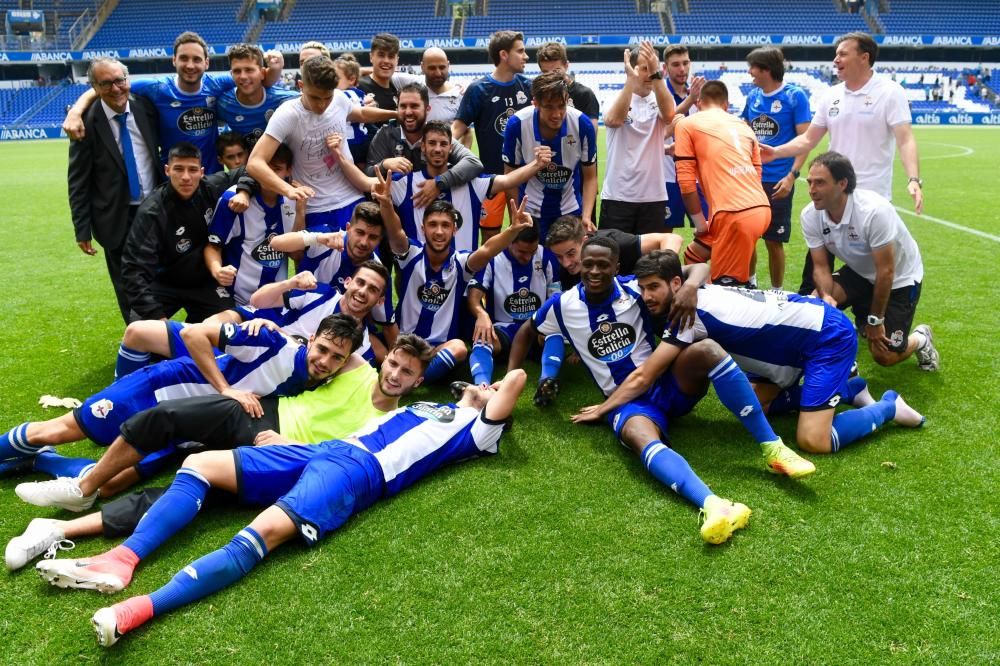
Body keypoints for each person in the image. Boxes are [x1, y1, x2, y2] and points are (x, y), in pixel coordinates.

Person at [41, 369, 526, 648]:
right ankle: (124, 559)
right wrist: (469, 392)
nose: (491, 386)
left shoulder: (479, 433)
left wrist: (486, 387)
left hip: (360, 474)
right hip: (326, 449)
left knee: (259, 534)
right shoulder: (432, 406)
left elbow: (517, 381)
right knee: (200, 463)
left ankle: (138, 609)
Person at [5, 335, 434, 572]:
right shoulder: (356, 367)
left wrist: (295, 447)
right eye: (394, 363)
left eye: (407, 373)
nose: (395, 375)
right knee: (167, 417)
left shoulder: (387, 422)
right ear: (384, 359)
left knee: (190, 494)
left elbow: (345, 457)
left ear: (417, 383)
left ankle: (56, 530)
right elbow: (347, 316)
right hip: (258, 413)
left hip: (289, 457)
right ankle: (85, 485)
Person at [508, 238, 756, 544]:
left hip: (668, 383)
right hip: (627, 402)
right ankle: (714, 504)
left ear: (617, 268)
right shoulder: (562, 305)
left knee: (705, 350)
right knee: (638, 437)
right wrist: (509, 378)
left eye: (603, 265)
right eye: (588, 264)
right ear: (579, 266)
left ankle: (772, 445)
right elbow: (525, 332)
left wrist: (690, 287)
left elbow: (699, 266)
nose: (595, 271)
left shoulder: (635, 290)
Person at [588, 250, 927, 458]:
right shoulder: (692, 291)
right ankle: (848, 389)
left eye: (653, 288)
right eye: (643, 288)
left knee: (813, 440)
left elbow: (644, 375)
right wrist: (691, 283)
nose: (646, 296)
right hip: (788, 342)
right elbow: (696, 268)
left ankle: (888, 407)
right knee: (753, 402)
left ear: (675, 284)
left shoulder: (687, 315)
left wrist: (604, 409)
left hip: (825, 336)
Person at [0, 314, 362, 488]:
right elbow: (191, 333)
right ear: (312, 339)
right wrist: (225, 388)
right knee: (59, 429)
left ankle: (40, 463)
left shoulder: (315, 381)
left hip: (184, 422)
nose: (325, 362)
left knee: (112, 483)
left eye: (336, 359)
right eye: (324, 350)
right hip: (158, 389)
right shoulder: (273, 342)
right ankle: (31, 450)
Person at [762, 32, 923, 294]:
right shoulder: (831, 96)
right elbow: (808, 140)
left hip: (870, 199)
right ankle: (811, 319)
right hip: (832, 196)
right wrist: (775, 152)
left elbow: (905, 139)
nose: (835, 59)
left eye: (842, 54)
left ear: (864, 57)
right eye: (835, 54)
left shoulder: (890, 92)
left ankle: (875, 318)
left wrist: (914, 179)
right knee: (815, 272)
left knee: (873, 272)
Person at [377, 173, 534, 382]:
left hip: (436, 349)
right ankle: (412, 371)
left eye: (445, 225)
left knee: (459, 348)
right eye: (433, 225)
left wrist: (513, 230)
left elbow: (487, 250)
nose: (439, 231)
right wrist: (387, 204)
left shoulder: (460, 263)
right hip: (403, 343)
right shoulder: (410, 255)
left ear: (454, 230)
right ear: (423, 229)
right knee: (370, 339)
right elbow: (396, 232)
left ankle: (410, 373)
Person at [63, 32, 279, 174]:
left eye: (196, 59)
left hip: (212, 179)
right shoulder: (157, 87)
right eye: (184, 58)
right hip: (173, 180)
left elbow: (255, 78)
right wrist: (75, 113)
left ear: (206, 63)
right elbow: (108, 86)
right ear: (174, 60)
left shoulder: (217, 83)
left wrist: (275, 69)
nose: (190, 65)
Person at [802, 152, 938, 370]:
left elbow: (886, 271)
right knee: (814, 306)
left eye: (820, 183)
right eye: (810, 182)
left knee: (884, 356)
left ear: (842, 184)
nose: (811, 190)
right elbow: (820, 266)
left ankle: (921, 339)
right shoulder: (810, 215)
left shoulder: (874, 211)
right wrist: (826, 295)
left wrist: (876, 321)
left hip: (900, 279)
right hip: (860, 271)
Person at [245, 55, 395, 233]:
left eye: (327, 97)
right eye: (316, 98)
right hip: (315, 208)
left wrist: (396, 113)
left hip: (351, 200)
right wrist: (287, 190)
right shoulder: (288, 114)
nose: (323, 104)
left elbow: (361, 113)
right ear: (301, 86)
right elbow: (255, 163)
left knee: (364, 260)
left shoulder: (339, 98)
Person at [67, 57, 160, 324]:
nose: (116, 88)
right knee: (127, 285)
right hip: (116, 219)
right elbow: (78, 181)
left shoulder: (146, 108)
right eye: (106, 83)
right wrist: (81, 229)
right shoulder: (85, 122)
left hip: (155, 211)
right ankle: (140, 342)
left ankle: (166, 334)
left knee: (164, 278)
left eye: (120, 80)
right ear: (94, 87)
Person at [120, 142, 251, 323]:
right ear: (167, 170)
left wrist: (244, 191)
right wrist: (156, 316)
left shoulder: (211, 187)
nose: (186, 177)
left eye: (192, 170)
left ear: (202, 172)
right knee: (144, 334)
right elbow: (133, 270)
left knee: (229, 328)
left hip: (206, 282)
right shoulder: (152, 211)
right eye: (178, 169)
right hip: (165, 283)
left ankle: (195, 330)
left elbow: (250, 170)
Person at [387, 121, 551, 253]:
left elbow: (508, 181)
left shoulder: (470, 182)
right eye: (432, 143)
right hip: (420, 279)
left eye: (443, 144)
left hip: (464, 277)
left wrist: (537, 164)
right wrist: (383, 164)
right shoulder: (405, 183)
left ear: (451, 148)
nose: (437, 149)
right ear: (423, 147)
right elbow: (369, 184)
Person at [674, 80, 770, 286]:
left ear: (698, 103)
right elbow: (757, 172)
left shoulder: (687, 124)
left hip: (734, 214)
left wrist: (700, 224)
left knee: (727, 293)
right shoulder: (743, 126)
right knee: (694, 256)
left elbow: (686, 183)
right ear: (726, 105)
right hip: (759, 208)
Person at [740, 46, 812, 290]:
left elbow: (805, 141)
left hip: (779, 181)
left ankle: (777, 291)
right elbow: (744, 128)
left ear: (767, 70)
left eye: (754, 68)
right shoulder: (753, 97)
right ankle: (749, 283)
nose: (750, 73)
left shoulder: (794, 97)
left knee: (773, 240)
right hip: (751, 179)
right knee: (748, 237)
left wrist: (792, 176)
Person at [452, 30, 533, 242]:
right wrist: (442, 148)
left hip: (524, 178)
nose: (526, 56)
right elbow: (458, 127)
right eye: (521, 51)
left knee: (526, 234)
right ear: (504, 55)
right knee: (489, 235)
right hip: (491, 179)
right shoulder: (479, 89)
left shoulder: (528, 87)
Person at [502, 71, 597, 242]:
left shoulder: (582, 124)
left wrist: (586, 216)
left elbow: (590, 177)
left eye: (561, 106)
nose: (556, 114)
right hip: (531, 212)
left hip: (570, 210)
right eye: (549, 107)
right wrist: (515, 216)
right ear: (535, 103)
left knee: (569, 265)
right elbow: (509, 177)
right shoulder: (517, 124)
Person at [205, 142, 304, 306]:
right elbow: (213, 246)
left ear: (289, 171)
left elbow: (296, 255)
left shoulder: (293, 201)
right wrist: (217, 271)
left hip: (274, 302)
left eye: (277, 169)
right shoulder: (233, 199)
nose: (269, 176)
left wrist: (300, 212)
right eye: (266, 169)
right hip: (236, 301)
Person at [466, 223, 560, 387]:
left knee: (553, 333)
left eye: (532, 252)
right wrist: (481, 314)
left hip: (536, 329)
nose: (528, 257)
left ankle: (547, 382)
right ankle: (482, 387)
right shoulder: (493, 258)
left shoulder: (547, 257)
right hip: (503, 330)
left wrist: (549, 321)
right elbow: (474, 295)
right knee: (482, 339)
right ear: (509, 242)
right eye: (522, 252)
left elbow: (556, 296)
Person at [364, 82, 483, 209]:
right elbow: (368, 174)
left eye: (414, 106)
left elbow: (473, 163)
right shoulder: (386, 134)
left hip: (432, 210)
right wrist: (385, 164)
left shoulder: (437, 135)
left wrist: (439, 183)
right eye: (403, 106)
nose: (408, 112)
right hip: (395, 211)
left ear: (427, 109)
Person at [249, 262, 394, 364]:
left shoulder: (363, 347)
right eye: (360, 283)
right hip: (263, 353)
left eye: (372, 290)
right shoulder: (318, 293)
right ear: (347, 282)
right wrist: (289, 283)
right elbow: (257, 301)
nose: (362, 292)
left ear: (380, 301)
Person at [599, 42, 675, 235]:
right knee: (614, 258)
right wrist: (630, 81)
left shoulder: (660, 98)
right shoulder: (615, 97)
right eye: (644, 68)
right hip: (618, 195)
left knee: (649, 262)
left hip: (653, 196)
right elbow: (614, 120)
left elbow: (668, 116)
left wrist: (656, 72)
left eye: (653, 68)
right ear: (632, 69)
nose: (649, 73)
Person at [545, 214, 681, 290]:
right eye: (559, 257)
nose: (566, 263)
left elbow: (671, 238)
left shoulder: (612, 243)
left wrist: (664, 271)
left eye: (571, 254)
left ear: (585, 241)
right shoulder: (564, 271)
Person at [216, 44, 299, 151]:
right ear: (231, 74)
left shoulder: (286, 100)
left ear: (262, 73)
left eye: (249, 70)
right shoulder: (224, 104)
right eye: (237, 71)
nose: (243, 76)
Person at [661, 45, 708, 231]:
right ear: (665, 68)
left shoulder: (699, 95)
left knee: (709, 232)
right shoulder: (659, 95)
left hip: (696, 178)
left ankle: (695, 261)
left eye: (685, 63)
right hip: (667, 178)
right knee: (664, 235)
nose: (682, 69)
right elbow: (665, 126)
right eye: (676, 64)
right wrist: (691, 100)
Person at [535, 42, 600, 121]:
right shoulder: (536, 93)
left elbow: (591, 131)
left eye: (556, 71)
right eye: (545, 72)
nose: (551, 76)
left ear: (566, 66)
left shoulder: (585, 94)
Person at [421, 47, 465, 127]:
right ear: (422, 67)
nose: (438, 73)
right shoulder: (415, 95)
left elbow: (466, 133)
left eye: (442, 67)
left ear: (448, 66)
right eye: (432, 68)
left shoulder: (460, 95)